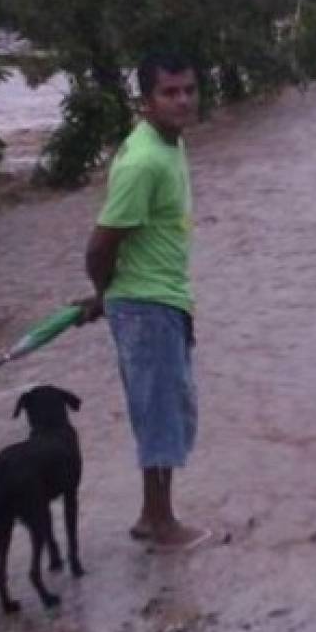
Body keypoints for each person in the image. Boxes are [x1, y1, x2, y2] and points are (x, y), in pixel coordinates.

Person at [76, 51, 209, 551]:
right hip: (147, 306)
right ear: (146, 101)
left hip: (161, 299)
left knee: (168, 408)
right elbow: (100, 244)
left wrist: (105, 299)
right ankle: (161, 522)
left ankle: (151, 515)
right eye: (169, 93)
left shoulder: (168, 144)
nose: (182, 101)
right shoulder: (145, 159)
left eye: (189, 90)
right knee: (161, 414)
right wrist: (103, 294)